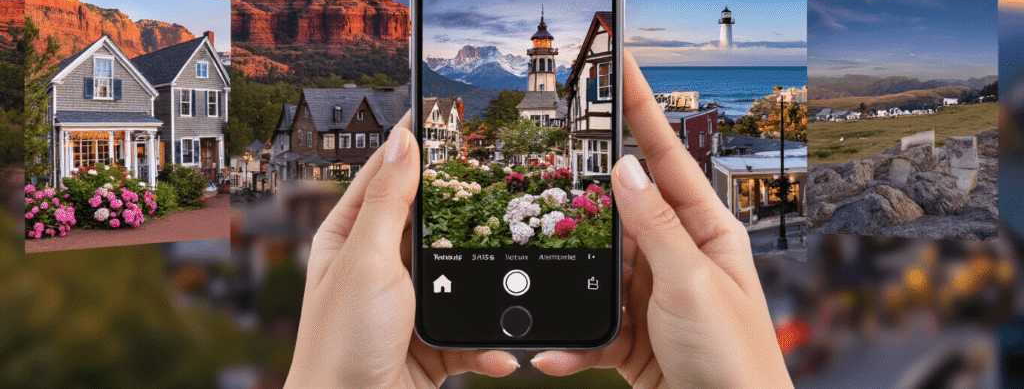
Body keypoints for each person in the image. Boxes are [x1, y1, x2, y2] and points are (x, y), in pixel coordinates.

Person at [285, 50, 794, 388]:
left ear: (544, 60)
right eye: (540, 55)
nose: (541, 61)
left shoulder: (553, 103)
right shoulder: (538, 104)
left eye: (543, 55)